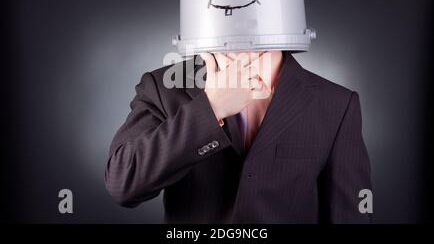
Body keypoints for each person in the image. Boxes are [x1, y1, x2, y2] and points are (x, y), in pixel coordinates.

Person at [105, 50, 372, 223]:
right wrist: (210, 109)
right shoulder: (165, 88)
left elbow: (349, 216)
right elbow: (123, 183)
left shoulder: (335, 103)